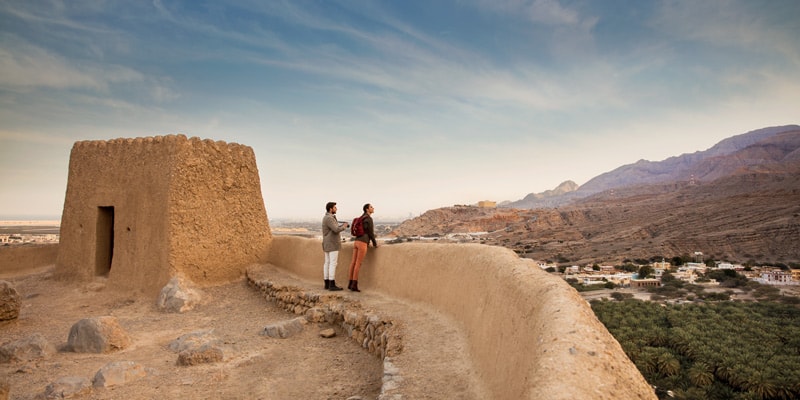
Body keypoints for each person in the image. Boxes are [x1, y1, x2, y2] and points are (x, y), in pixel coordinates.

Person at [348, 203, 378, 292]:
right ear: (367, 209)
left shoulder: (361, 218)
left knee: (353, 263)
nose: (373, 208)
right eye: (371, 207)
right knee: (358, 264)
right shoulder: (368, 219)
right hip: (363, 242)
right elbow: (371, 233)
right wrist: (375, 244)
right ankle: (354, 284)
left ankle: (350, 283)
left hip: (356, 241)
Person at [322, 201, 348, 291]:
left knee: (327, 263)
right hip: (332, 243)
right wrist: (344, 226)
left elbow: (333, 228)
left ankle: (327, 283)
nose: (336, 209)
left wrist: (341, 225)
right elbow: (336, 229)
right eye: (335, 207)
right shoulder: (329, 218)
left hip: (327, 243)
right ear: (331, 209)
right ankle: (332, 284)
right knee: (332, 263)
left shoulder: (327, 217)